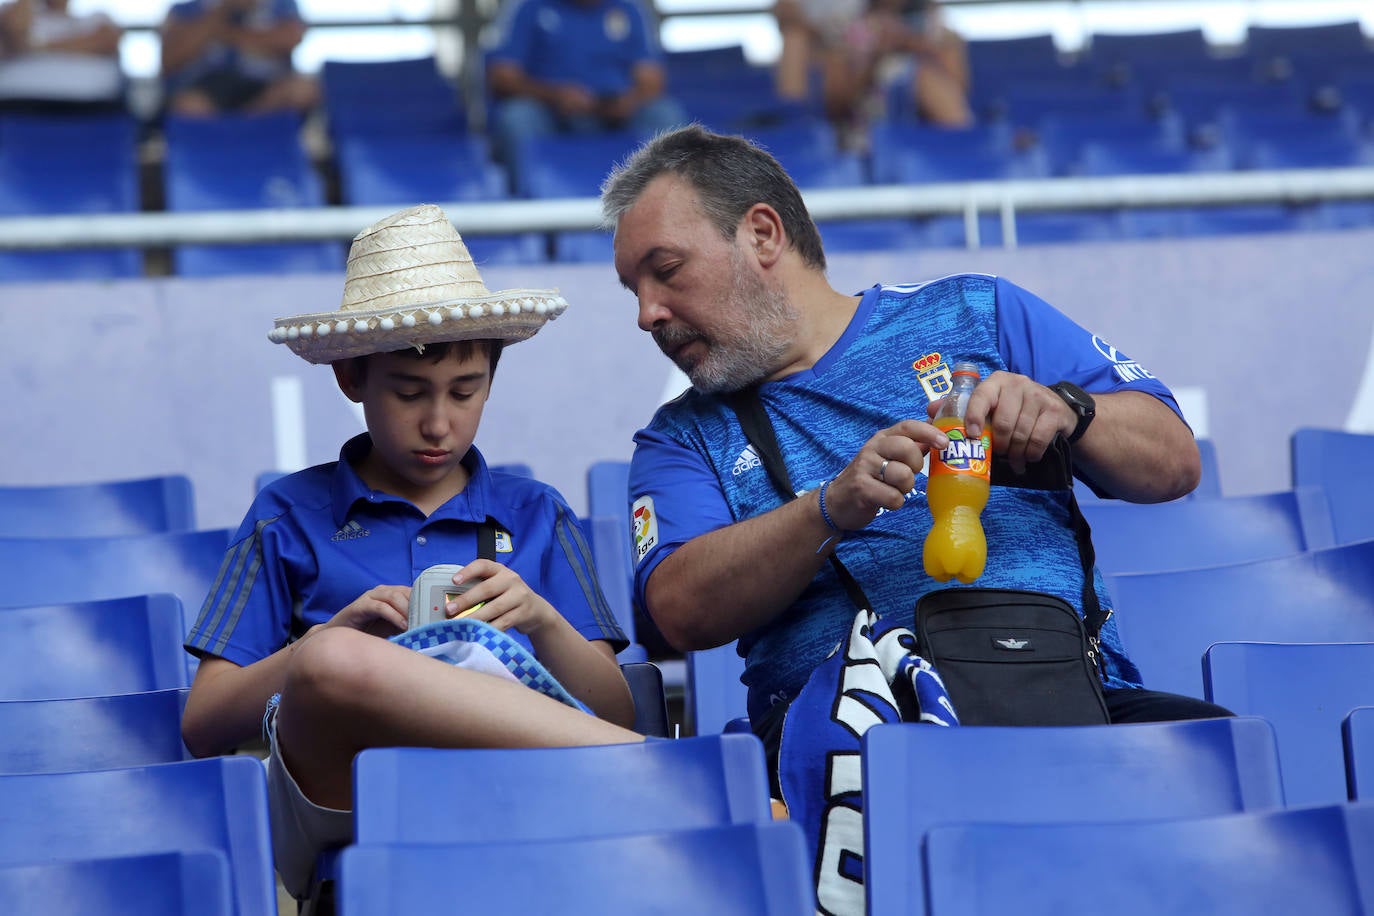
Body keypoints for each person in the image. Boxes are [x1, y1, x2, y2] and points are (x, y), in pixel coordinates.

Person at [601, 123, 1231, 786]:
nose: (647, 313)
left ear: (762, 234)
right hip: (846, 751)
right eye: (632, 289)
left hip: (1061, 696)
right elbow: (679, 610)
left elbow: (1175, 463)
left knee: (1217, 759)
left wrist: (1072, 412)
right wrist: (829, 508)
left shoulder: (978, 311)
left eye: (666, 271)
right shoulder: (679, 437)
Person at [182, 203, 644, 900]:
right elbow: (203, 724)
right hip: (347, 808)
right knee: (333, 659)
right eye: (407, 393)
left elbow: (615, 710)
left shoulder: (536, 512)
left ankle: (649, 771)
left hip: (521, 802)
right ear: (351, 381)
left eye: (466, 392)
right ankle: (668, 777)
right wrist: (328, 645)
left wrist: (542, 623)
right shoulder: (286, 517)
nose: (438, 423)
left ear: (493, 377)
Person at [484, 0, 686, 164]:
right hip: (551, 112)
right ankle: (528, 201)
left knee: (665, 115)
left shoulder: (629, 8)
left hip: (616, 115)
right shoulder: (528, 7)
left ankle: (675, 201)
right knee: (517, 118)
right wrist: (555, 95)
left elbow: (652, 78)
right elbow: (503, 75)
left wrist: (629, 101)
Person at [773, 0, 971, 145]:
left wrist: (918, 47)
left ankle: (963, 151)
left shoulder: (936, 30)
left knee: (927, 79)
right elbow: (836, 104)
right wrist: (874, 62)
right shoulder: (846, 29)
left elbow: (958, 90)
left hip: (924, 132)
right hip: (861, 135)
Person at [159, 0, 317, 117]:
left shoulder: (281, 5)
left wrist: (224, 34)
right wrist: (225, 8)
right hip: (206, 88)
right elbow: (169, 60)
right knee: (188, 106)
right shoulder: (183, 10)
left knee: (302, 91)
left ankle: (244, 125)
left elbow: (290, 38)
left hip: (265, 91)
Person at [0, 0, 126, 113]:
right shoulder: (13, 14)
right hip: (17, 109)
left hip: (93, 111)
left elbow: (106, 41)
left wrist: (37, 47)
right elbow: (14, 37)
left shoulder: (95, 18)